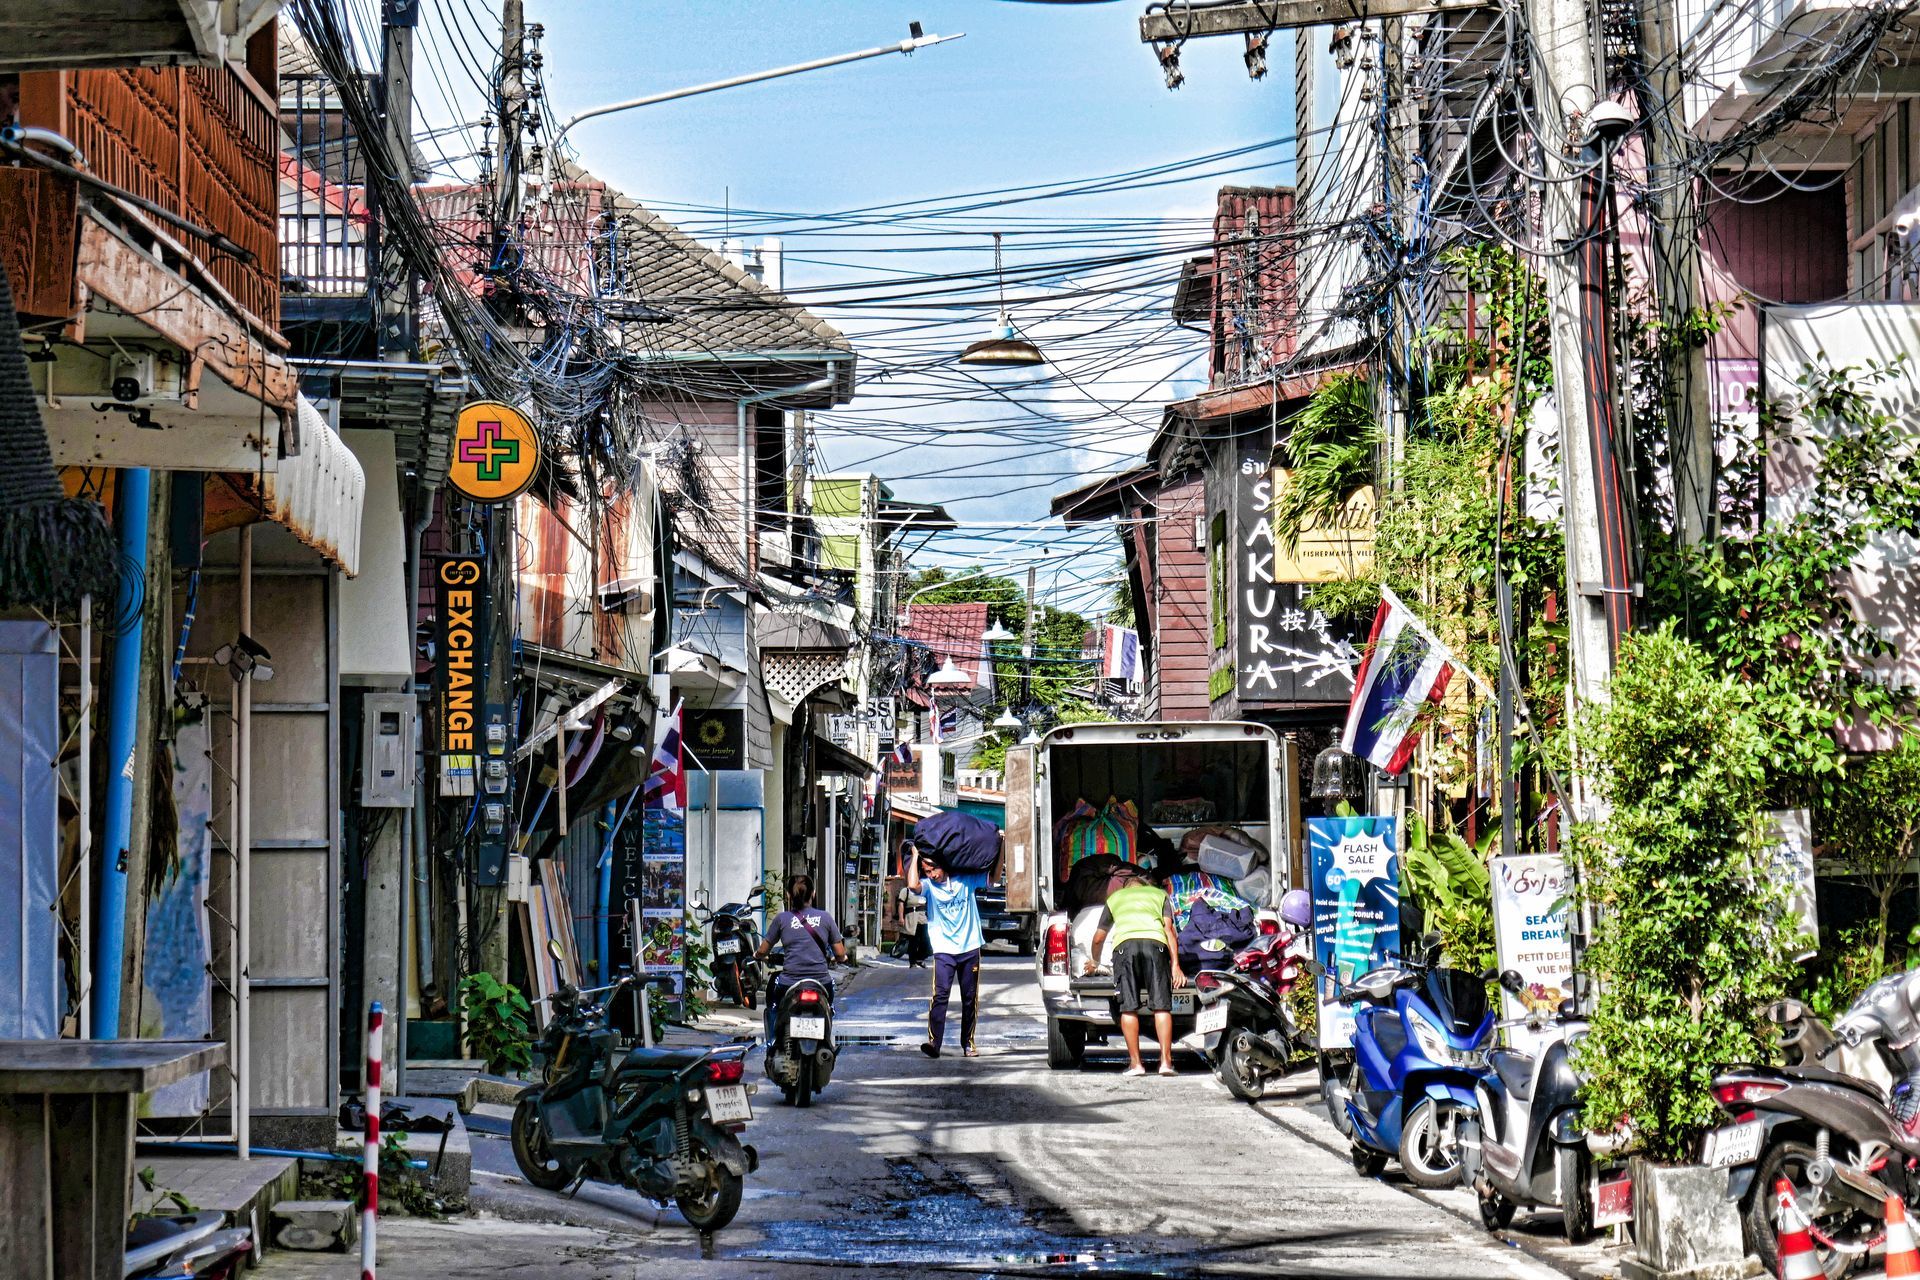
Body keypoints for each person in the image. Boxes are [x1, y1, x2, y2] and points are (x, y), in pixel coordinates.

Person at [1085, 865, 1186, 1077]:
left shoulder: (1115, 898)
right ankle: (1166, 1063)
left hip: (1125, 949)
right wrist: (1176, 966)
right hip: (1155, 946)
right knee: (1161, 1007)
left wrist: (1094, 962)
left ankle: (1136, 1064)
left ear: (1125, 888)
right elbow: (1169, 931)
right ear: (1144, 886)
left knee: (1128, 1008)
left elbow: (1098, 937)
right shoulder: (1160, 895)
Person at [904, 836, 1000, 1058]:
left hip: (969, 947)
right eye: (926, 872)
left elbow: (993, 878)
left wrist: (1001, 846)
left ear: (943, 866)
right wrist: (916, 855)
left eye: (933, 871)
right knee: (940, 995)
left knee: (969, 997)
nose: (931, 876)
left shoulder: (965, 880)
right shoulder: (929, 887)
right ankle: (934, 1043)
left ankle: (968, 1043)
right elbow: (912, 885)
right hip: (944, 949)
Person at [755, 874, 849, 1034]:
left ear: (788, 895)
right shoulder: (825, 918)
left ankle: (773, 1042)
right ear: (813, 893)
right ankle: (826, 1036)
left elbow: (763, 950)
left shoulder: (781, 919)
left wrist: (758, 955)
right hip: (821, 981)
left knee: (774, 1006)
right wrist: (841, 958)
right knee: (829, 1006)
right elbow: (840, 953)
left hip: (789, 983)